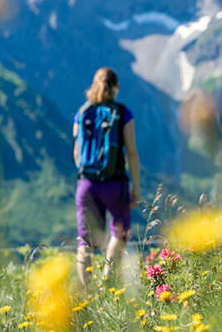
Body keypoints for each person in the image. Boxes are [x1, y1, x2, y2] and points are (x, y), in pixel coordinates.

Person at [73, 67, 140, 286]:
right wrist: (135, 187)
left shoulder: (82, 113)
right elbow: (131, 151)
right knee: (120, 233)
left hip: (86, 184)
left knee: (85, 241)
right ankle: (108, 279)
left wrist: (88, 174)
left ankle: (87, 294)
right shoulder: (122, 113)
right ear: (116, 88)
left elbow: (77, 151)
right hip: (115, 183)